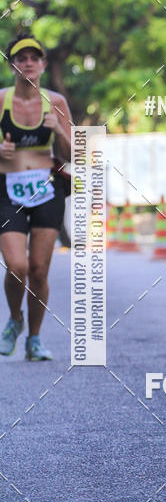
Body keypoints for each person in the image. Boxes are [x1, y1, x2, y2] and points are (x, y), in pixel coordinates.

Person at [0, 35, 73, 360]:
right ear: (12, 65)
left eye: (34, 57)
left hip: (46, 189)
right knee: (17, 266)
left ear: (43, 64)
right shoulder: (0, 100)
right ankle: (15, 319)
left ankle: (34, 338)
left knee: (39, 270)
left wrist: (59, 130)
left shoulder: (55, 101)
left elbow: (75, 154)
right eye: (21, 57)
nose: (28, 62)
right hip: (8, 188)